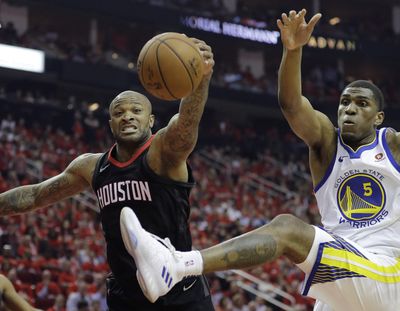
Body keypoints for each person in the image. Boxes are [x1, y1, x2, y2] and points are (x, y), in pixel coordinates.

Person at [119, 9, 400, 311]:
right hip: (343, 273)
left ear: (379, 117)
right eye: (345, 102)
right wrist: (292, 51)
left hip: (386, 273)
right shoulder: (326, 142)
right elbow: (291, 105)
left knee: (288, 229)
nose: (350, 109)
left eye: (361, 104)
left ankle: (177, 264)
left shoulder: (393, 144)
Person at [0, 36, 215, 310]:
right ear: (110, 122)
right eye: (119, 112)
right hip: (127, 295)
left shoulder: (163, 152)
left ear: (151, 120)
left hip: (180, 291)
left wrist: (202, 76)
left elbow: (187, 122)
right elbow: (35, 195)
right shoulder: (92, 167)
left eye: (136, 110)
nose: (127, 116)